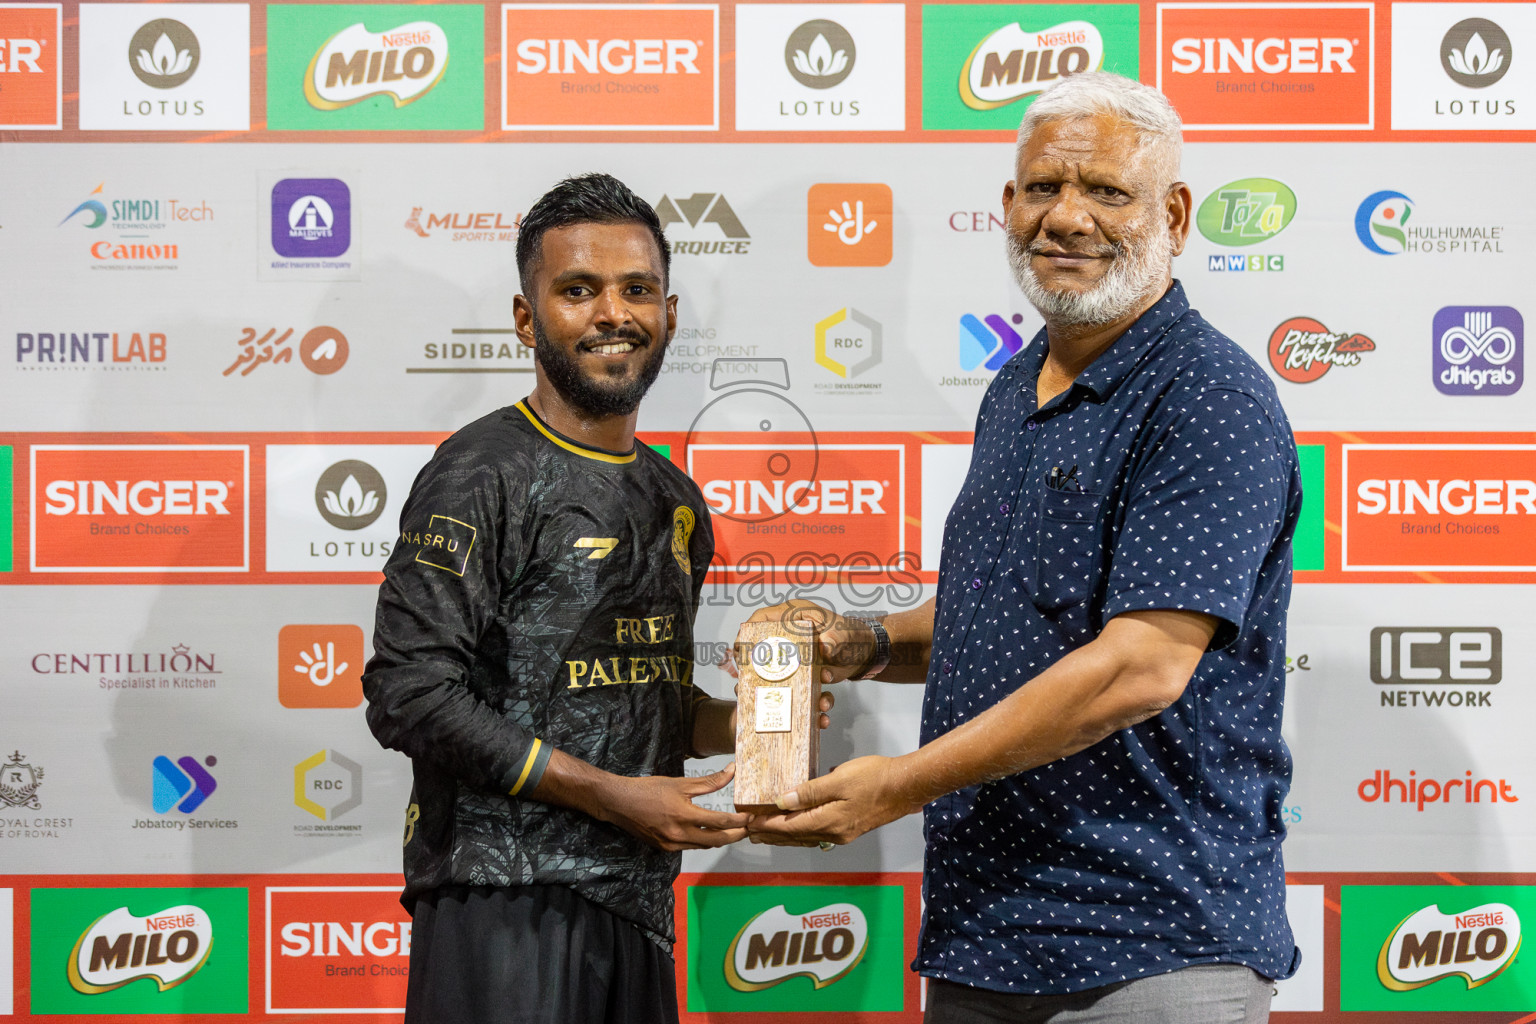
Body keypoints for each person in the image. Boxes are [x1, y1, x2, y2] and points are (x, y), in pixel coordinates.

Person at [742, 72, 1302, 1022]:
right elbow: (1000, 620)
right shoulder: (1014, 388)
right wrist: (864, 643)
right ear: (1007, 205)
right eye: (1042, 187)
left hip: (1149, 943)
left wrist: (898, 787)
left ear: (1173, 215)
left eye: (1106, 191)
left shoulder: (1209, 396)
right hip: (987, 934)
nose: (1066, 217)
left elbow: (1139, 668)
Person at [363, 173, 756, 1024]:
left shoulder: (676, 499)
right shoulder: (479, 473)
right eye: (577, 290)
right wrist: (612, 794)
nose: (612, 313)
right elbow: (408, 694)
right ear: (525, 318)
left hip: (636, 905)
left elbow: (633, 697)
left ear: (670, 314)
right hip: (501, 901)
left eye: (636, 290)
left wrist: (750, 721)